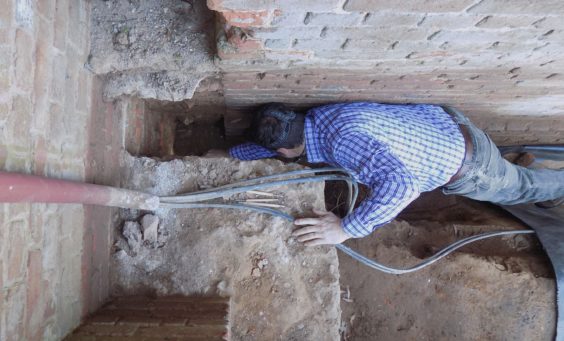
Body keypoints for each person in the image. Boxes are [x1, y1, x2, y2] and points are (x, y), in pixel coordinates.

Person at [229, 102, 564, 246]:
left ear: (285, 151)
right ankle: (526, 168)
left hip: (473, 167)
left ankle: (556, 185)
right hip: (448, 127)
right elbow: (277, 150)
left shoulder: (343, 144)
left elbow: (403, 187)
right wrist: (230, 155)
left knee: (521, 187)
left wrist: (346, 229)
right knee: (514, 176)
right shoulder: (316, 118)